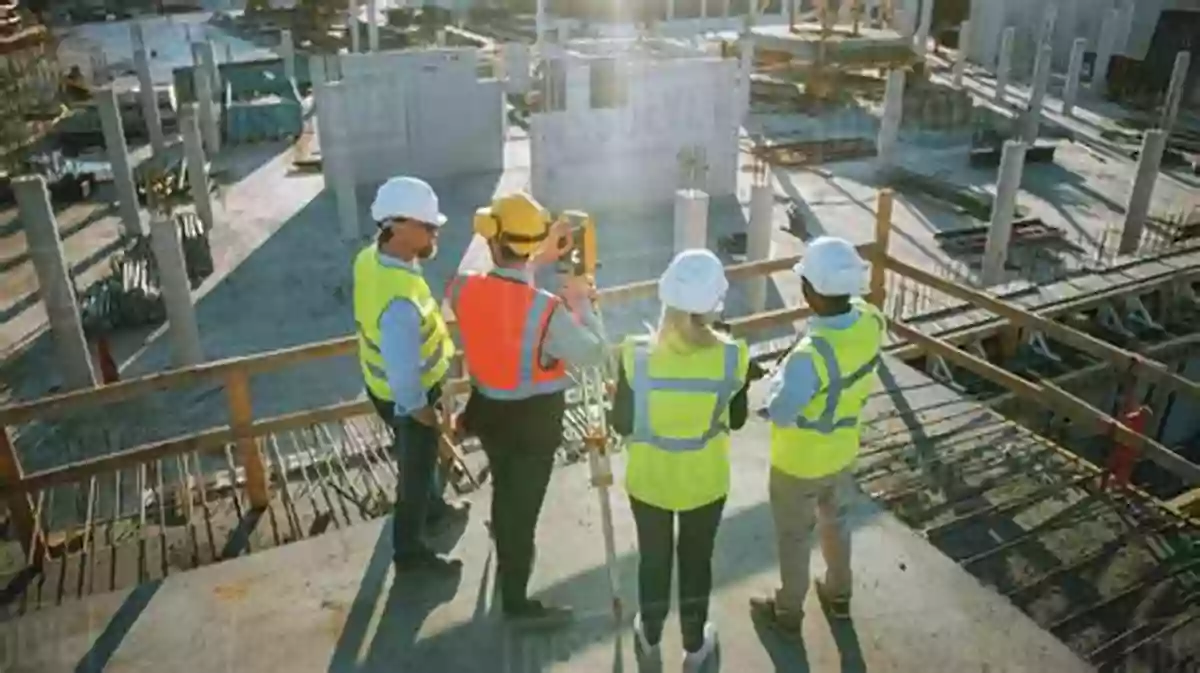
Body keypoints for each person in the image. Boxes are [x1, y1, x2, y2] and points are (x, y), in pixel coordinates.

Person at [447, 192, 608, 627]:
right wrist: (582, 302)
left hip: (486, 413)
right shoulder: (547, 310)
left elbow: (503, 294)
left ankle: (503, 528)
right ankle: (516, 605)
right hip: (532, 424)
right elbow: (594, 354)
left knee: (505, 485)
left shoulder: (462, 288)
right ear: (531, 245)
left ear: (493, 242)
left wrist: (534, 259)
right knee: (523, 514)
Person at [611, 249, 762, 672]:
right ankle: (695, 648)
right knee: (696, 562)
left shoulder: (634, 354)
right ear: (716, 303)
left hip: (649, 481)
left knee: (653, 560)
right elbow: (735, 419)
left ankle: (650, 633)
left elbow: (621, 423)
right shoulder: (733, 356)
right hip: (704, 482)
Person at [749, 236, 886, 637]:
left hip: (798, 464)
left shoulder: (810, 357)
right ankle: (839, 594)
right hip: (842, 452)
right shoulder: (872, 320)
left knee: (795, 538)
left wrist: (774, 384)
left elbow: (781, 411)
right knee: (836, 522)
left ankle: (788, 613)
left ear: (810, 291)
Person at [353, 176, 466, 575]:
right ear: (396, 226)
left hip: (380, 387)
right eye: (427, 226)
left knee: (420, 464)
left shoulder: (372, 258)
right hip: (406, 397)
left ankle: (434, 511)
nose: (435, 232)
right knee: (414, 475)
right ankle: (410, 554)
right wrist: (431, 420)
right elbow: (407, 388)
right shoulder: (399, 304)